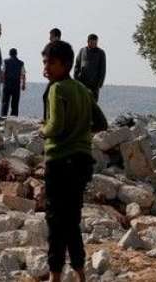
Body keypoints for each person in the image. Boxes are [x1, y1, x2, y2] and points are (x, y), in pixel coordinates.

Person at [40, 40, 95, 282]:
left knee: (55, 219)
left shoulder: (56, 89)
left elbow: (55, 126)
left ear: (65, 65)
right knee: (72, 219)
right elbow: (101, 122)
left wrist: (42, 130)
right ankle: (80, 272)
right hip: (82, 162)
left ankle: (54, 275)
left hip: (60, 161)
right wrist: (81, 130)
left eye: (51, 62)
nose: (46, 67)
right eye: (44, 62)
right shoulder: (84, 90)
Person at [73, 33, 106, 101]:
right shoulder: (82, 51)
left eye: (95, 43)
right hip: (82, 83)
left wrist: (99, 83)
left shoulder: (101, 53)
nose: (94, 44)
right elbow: (77, 65)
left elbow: (103, 69)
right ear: (88, 41)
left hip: (94, 85)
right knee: (81, 103)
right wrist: (76, 77)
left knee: (92, 104)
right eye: (92, 42)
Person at [1, 48, 26, 117]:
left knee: (5, 102)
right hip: (16, 84)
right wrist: (23, 84)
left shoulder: (5, 61)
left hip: (7, 84)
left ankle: (3, 116)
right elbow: (23, 74)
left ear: (9, 54)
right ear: (16, 54)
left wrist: (2, 81)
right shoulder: (21, 63)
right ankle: (14, 117)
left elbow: (3, 72)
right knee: (15, 103)